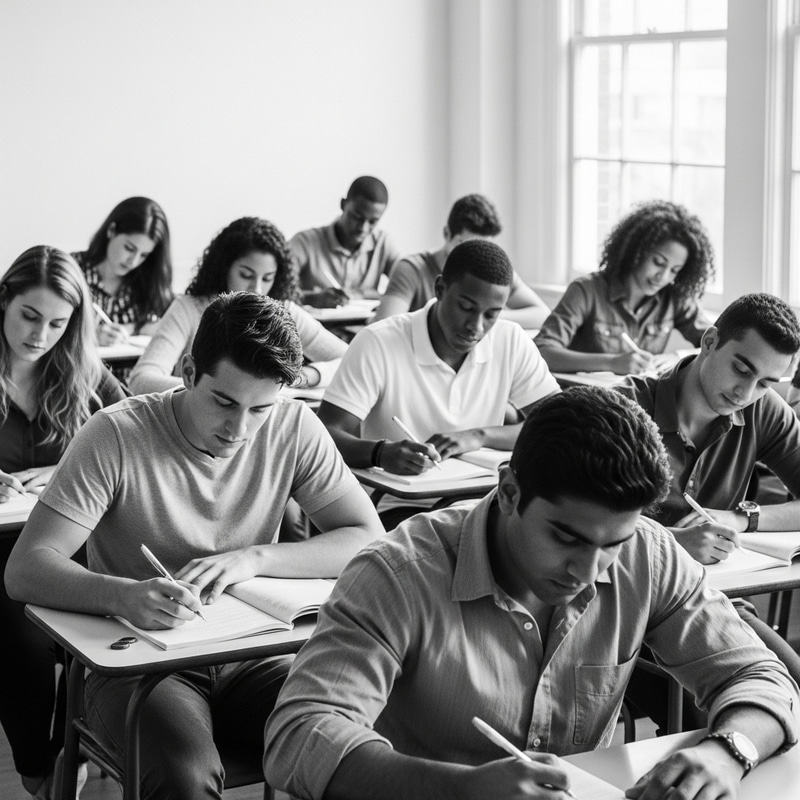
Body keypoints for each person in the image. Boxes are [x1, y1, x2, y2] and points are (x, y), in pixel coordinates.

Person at [264, 388, 798, 800]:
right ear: (510, 491)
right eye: (566, 537)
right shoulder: (398, 573)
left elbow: (759, 675)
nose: (589, 571)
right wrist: (461, 790)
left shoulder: (650, 554)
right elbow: (300, 735)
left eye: (614, 543)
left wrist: (730, 751)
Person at [5, 292, 383, 800]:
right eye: (224, 402)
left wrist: (253, 558)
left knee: (350, 744)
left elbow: (366, 536)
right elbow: (25, 569)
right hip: (137, 666)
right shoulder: (115, 434)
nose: (239, 430)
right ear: (187, 370)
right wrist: (125, 596)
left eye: (260, 410)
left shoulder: (294, 426)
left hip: (255, 655)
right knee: (184, 778)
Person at [617, 292, 800, 727]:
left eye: (766, 384)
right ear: (711, 341)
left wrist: (744, 517)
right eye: (742, 368)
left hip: (718, 603)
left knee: (793, 687)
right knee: (732, 721)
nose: (746, 392)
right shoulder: (624, 408)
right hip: (628, 616)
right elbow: (572, 520)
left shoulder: (762, 411)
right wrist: (671, 542)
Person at [0, 246, 126, 799]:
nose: (41, 334)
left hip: (69, 543)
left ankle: (69, 756)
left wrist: (60, 469)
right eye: (29, 316)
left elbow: (132, 440)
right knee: (21, 640)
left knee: (96, 632)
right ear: (4, 299)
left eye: (58, 323)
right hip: (1, 554)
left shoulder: (86, 374)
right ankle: (39, 769)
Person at [318, 239, 559, 479]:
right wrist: (379, 453)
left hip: (478, 499)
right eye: (466, 307)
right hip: (398, 502)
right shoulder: (378, 341)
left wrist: (477, 436)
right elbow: (326, 434)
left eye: (491, 314)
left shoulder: (511, 340)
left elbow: (557, 424)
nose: (476, 326)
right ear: (440, 289)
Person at [129, 217, 347, 395]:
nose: (257, 289)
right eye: (246, 275)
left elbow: (350, 359)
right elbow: (141, 380)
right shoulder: (189, 309)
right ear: (224, 268)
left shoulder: (283, 311)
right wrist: (213, 392)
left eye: (268, 278)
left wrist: (305, 377)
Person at [535, 200, 714, 374]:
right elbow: (543, 351)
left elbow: (718, 342)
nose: (663, 277)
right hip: (588, 399)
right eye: (658, 263)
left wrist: (677, 358)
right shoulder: (586, 291)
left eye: (675, 270)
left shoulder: (675, 298)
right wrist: (611, 363)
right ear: (636, 252)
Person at [371, 193, 550, 329]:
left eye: (482, 246)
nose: (474, 255)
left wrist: (485, 317)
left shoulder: (492, 271)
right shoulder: (412, 269)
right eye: (464, 243)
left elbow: (542, 314)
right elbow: (384, 326)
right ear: (447, 234)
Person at [72, 196, 173, 346]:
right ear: (112, 230)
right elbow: (52, 328)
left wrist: (132, 328)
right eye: (129, 248)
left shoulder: (147, 281)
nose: (133, 261)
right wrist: (93, 336)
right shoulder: (73, 269)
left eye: (144, 255)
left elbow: (170, 323)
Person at [290, 175, 401, 308]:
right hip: (311, 327)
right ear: (343, 204)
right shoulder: (305, 242)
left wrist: (360, 295)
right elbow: (273, 291)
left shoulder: (383, 244)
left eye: (373, 222)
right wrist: (312, 299)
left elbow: (406, 289)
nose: (363, 228)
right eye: (357, 217)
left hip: (364, 327)